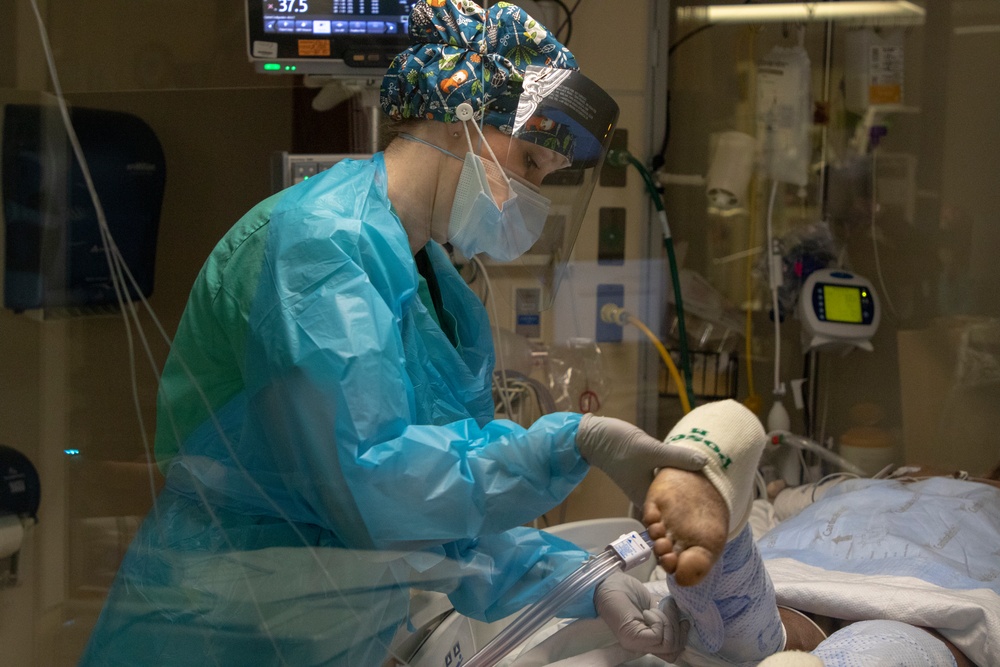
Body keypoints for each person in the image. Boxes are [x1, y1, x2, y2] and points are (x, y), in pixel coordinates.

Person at [79, 2, 709, 665]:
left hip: (327, 624)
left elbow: (437, 505)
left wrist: (581, 578)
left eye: (546, 179)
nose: (532, 197)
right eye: (528, 162)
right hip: (219, 628)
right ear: (461, 111)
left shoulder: (440, 288)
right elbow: (372, 484)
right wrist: (562, 446)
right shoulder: (320, 245)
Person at [511, 400, 995, 666]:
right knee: (910, 636)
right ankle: (816, 660)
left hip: (813, 576)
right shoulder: (854, 483)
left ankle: (734, 565)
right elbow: (777, 502)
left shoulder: (981, 499)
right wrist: (764, 503)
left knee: (803, 615)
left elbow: (771, 505)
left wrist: (752, 511)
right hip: (904, 587)